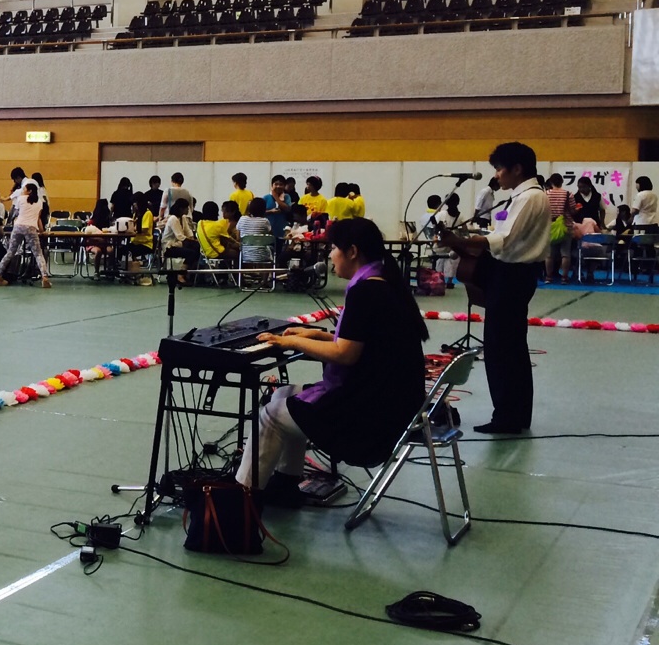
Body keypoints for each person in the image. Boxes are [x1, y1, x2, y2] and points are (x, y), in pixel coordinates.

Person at [237, 218, 429, 504]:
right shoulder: (385, 283)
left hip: (372, 417)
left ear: (352, 251)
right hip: (395, 405)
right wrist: (316, 335)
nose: (330, 255)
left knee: (272, 415)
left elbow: (345, 354)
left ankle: (239, 503)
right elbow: (365, 344)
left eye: (334, 248)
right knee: (283, 395)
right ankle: (285, 487)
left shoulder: (366, 291)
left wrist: (289, 342)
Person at [439, 141, 550, 434]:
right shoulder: (523, 196)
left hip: (513, 275)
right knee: (509, 347)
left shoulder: (529, 197)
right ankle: (514, 414)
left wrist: (460, 241)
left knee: (502, 349)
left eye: (500, 169)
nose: (497, 175)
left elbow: (504, 239)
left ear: (517, 168)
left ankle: (508, 416)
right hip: (512, 274)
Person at [0, 181, 51, 288]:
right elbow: (38, 218)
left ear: (29, 191)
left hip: (18, 226)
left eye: (24, 189)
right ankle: (44, 277)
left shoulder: (20, 199)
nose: (22, 191)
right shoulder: (39, 202)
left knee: (10, 252)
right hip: (31, 228)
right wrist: (42, 231)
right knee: (38, 254)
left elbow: (16, 213)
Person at [160, 197, 197, 283]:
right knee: (192, 253)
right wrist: (192, 241)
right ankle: (180, 274)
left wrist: (192, 239)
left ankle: (189, 274)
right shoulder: (173, 219)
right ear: (181, 209)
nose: (188, 210)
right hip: (169, 246)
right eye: (186, 208)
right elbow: (180, 236)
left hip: (179, 244)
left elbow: (188, 231)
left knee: (197, 248)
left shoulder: (183, 218)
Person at [196, 200, 237, 268]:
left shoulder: (200, 223)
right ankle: (236, 273)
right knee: (237, 254)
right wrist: (239, 245)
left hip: (204, 254)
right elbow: (230, 240)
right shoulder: (217, 225)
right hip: (217, 253)